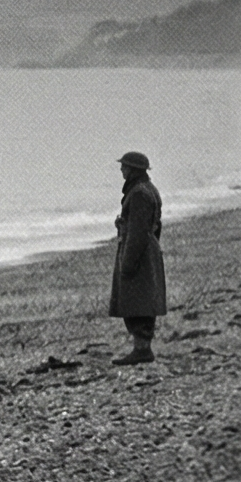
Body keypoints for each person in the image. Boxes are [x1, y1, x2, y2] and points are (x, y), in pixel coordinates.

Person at [109, 152, 167, 365]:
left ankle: (142, 350)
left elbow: (138, 232)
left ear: (133, 170)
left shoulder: (139, 193)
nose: (122, 170)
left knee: (137, 301)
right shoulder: (147, 189)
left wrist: (128, 262)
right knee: (141, 300)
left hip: (139, 252)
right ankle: (142, 348)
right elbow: (154, 225)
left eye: (124, 166)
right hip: (147, 250)